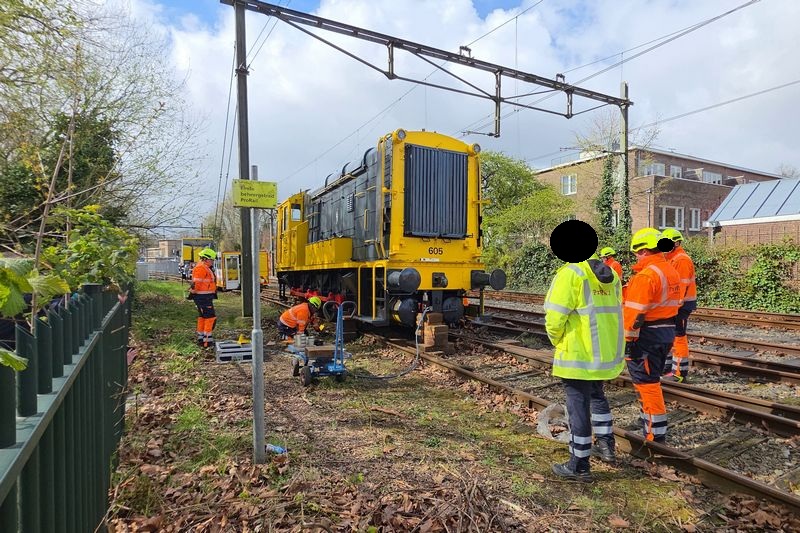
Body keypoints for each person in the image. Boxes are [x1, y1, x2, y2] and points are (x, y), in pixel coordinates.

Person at [544, 220, 625, 482]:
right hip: (604, 354)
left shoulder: (571, 273)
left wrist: (556, 340)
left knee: (577, 406)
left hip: (578, 355)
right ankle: (606, 447)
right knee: (598, 396)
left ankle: (579, 465)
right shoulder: (610, 275)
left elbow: (555, 318)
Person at [624, 228, 681, 443]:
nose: (636, 257)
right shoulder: (670, 270)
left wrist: (628, 340)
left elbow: (634, 313)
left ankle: (654, 436)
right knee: (652, 379)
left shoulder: (646, 276)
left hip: (646, 336)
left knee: (646, 384)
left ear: (644, 250)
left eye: (637, 253)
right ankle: (652, 428)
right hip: (665, 331)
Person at [661, 228, 697, 382]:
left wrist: (675, 305)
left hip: (680, 305)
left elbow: (681, 286)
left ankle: (679, 373)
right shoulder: (672, 258)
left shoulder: (681, 260)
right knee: (670, 336)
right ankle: (667, 369)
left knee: (678, 337)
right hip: (674, 304)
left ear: (676, 243)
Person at [190, 248, 218, 347]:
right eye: (211, 260)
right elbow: (196, 283)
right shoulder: (201, 268)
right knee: (210, 317)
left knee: (203, 317)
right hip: (203, 298)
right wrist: (193, 293)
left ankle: (202, 339)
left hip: (204, 297)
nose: (212, 261)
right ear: (205, 259)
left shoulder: (204, 267)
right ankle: (207, 341)